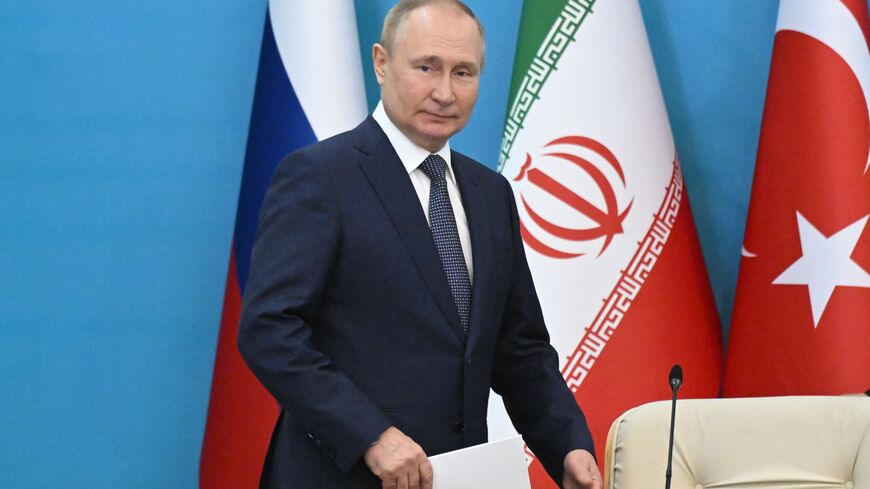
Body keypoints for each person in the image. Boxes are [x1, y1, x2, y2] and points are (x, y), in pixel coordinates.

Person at [238, 1, 601, 488]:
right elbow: (269, 330)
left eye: (463, 72)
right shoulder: (321, 177)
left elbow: (519, 348)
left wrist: (568, 446)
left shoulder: (491, 194)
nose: (444, 92)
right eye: (426, 67)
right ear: (381, 63)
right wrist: (369, 435)